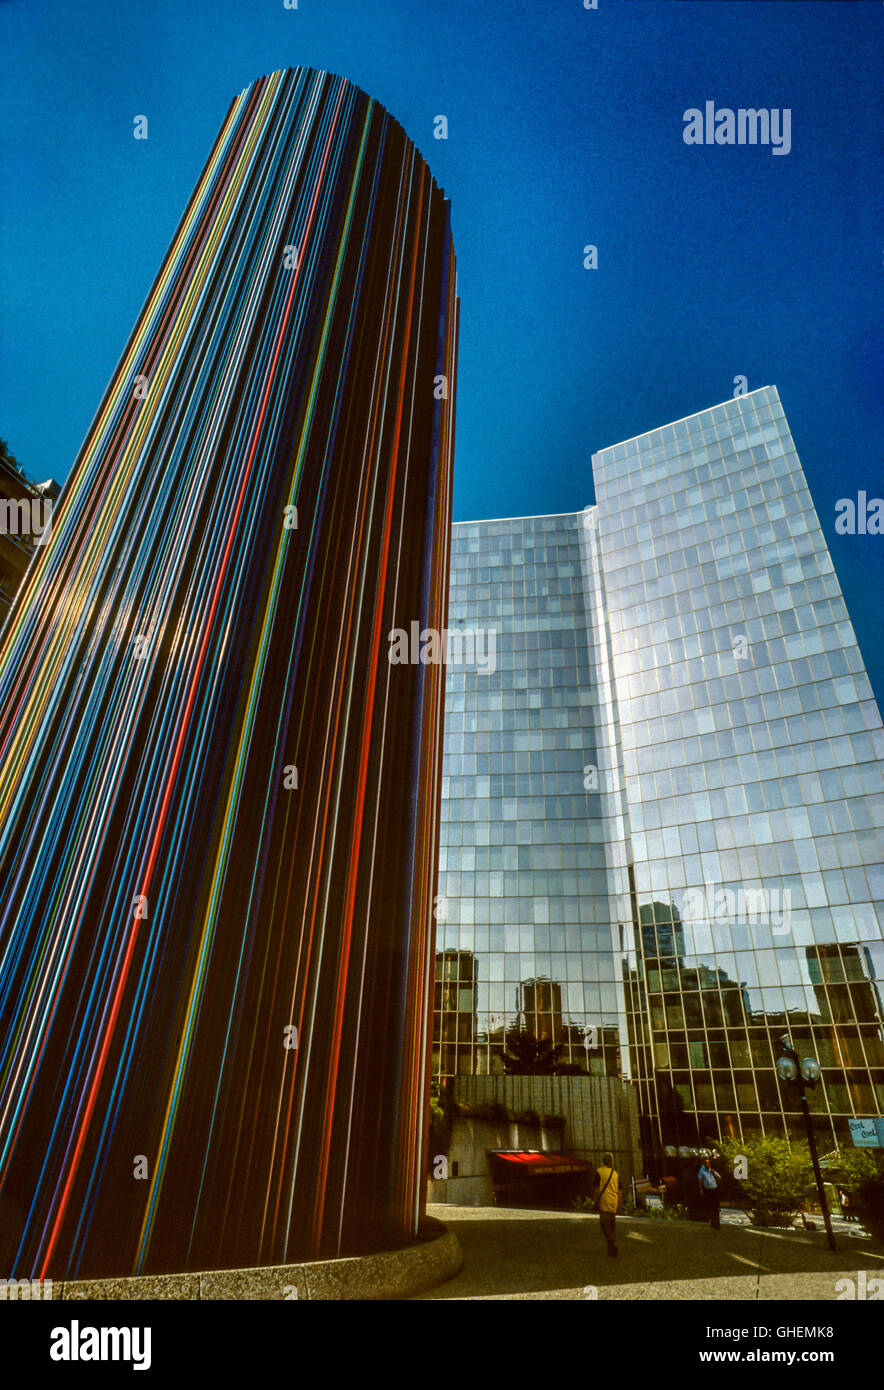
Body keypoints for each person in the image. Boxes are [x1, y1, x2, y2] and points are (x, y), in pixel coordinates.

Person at [592, 1150, 620, 1256]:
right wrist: (619, 1205)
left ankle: (611, 1241)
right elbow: (619, 1191)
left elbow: (596, 1189)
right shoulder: (615, 1174)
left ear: (604, 1161)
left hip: (604, 1202)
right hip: (614, 1202)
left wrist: (595, 1202)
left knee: (604, 1225)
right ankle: (611, 1249)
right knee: (612, 1226)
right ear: (611, 1162)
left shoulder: (599, 1172)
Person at [698, 1155, 722, 1229]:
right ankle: (712, 1223)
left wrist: (714, 1173)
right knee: (710, 1207)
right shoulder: (702, 1170)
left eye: (708, 1163)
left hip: (714, 1190)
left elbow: (719, 1179)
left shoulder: (713, 1170)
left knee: (715, 1207)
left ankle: (717, 1224)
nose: (707, 1164)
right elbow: (700, 1179)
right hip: (707, 1190)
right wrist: (701, 1189)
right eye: (706, 1163)